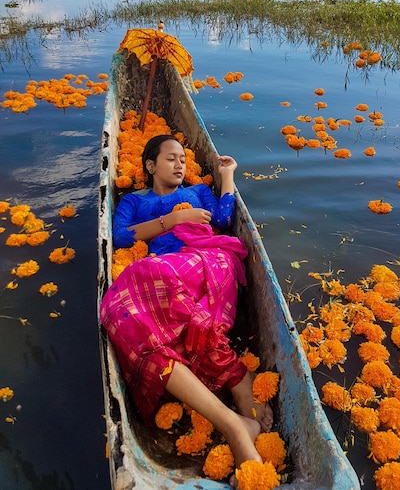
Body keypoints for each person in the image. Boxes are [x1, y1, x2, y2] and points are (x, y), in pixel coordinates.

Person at [100, 134, 273, 473]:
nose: (180, 164)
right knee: (115, 306)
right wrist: (175, 221)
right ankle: (234, 416)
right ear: (150, 165)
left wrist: (227, 176)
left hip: (208, 261)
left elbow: (223, 220)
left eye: (183, 158)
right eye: (170, 158)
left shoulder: (196, 193)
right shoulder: (134, 202)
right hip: (162, 276)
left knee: (144, 276)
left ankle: (236, 390)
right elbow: (120, 236)